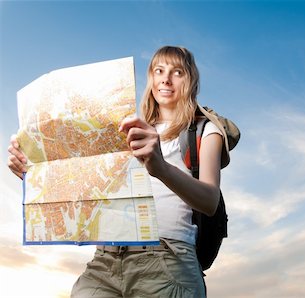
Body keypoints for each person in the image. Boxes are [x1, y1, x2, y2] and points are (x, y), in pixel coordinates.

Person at [7, 46, 228, 297]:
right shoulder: (126, 128)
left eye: (177, 72)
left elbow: (210, 201)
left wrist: (161, 167)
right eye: (159, 70)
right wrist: (35, 174)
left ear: (191, 79)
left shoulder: (204, 129)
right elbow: (92, 186)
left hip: (167, 260)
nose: (166, 78)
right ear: (151, 78)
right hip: (106, 258)